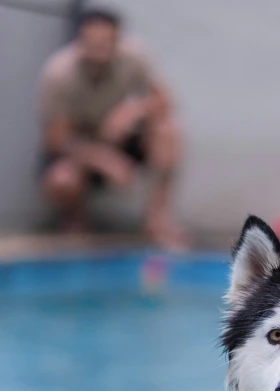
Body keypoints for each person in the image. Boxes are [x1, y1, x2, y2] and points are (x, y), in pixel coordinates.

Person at [38, 8, 182, 248]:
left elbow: (165, 101)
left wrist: (132, 111)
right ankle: (75, 224)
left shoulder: (135, 56)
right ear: (79, 41)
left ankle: (157, 223)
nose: (98, 50)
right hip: (79, 150)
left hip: (121, 141)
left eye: (106, 41)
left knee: (168, 131)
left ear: (118, 39)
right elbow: (56, 140)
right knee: (61, 180)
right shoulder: (59, 73)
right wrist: (102, 158)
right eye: (91, 42)